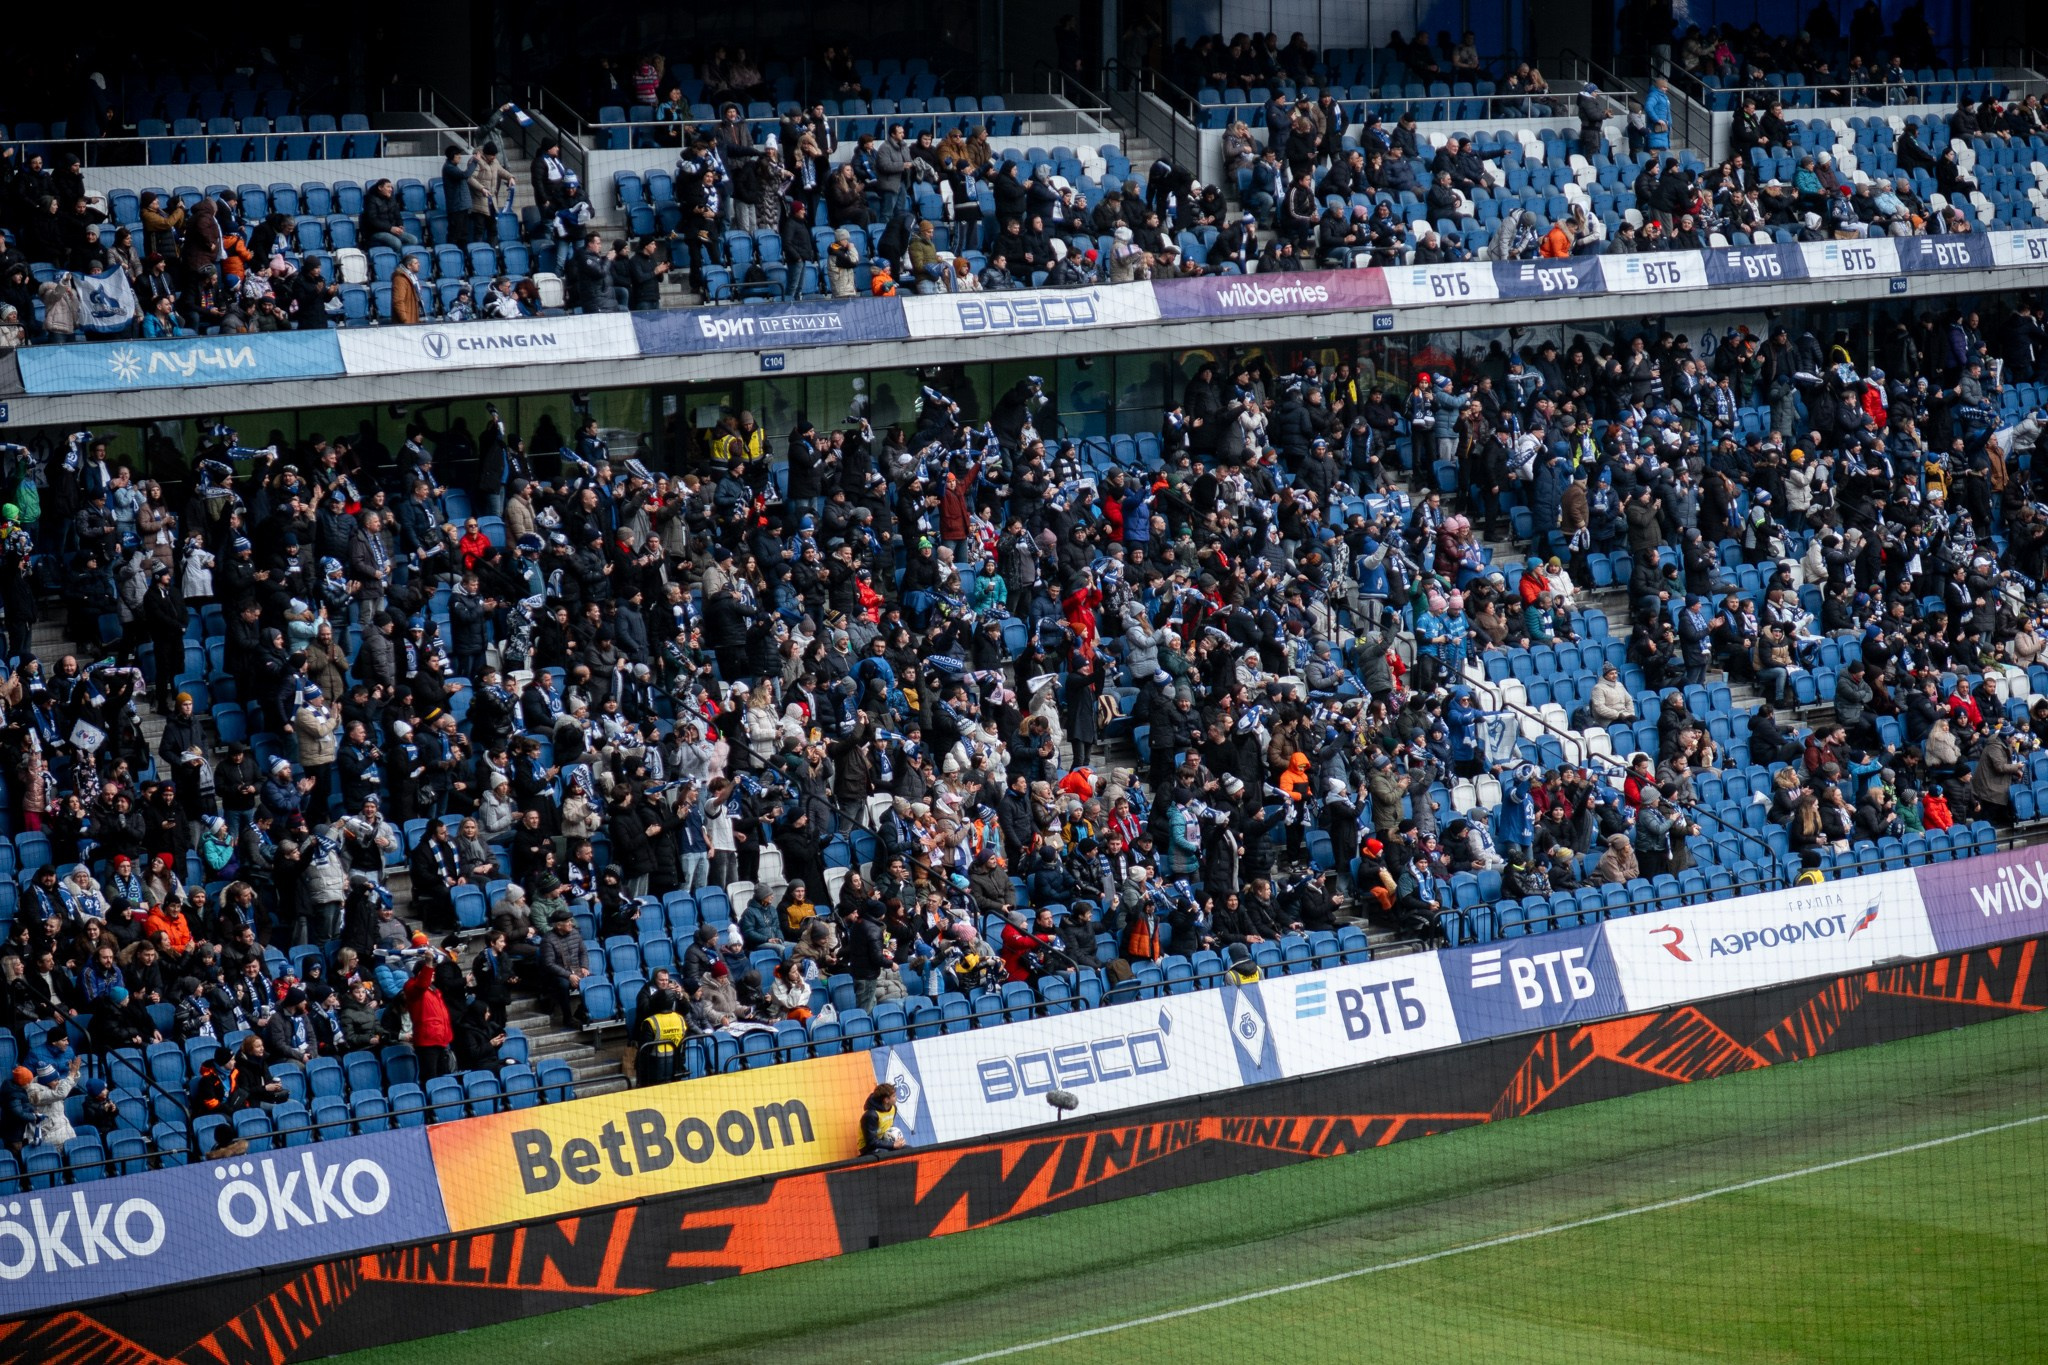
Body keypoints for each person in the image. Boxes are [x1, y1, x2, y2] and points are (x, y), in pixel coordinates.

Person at [860, 1081, 905, 1154]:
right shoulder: (871, 1115)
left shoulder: (893, 1108)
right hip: (868, 1148)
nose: (896, 1098)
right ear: (886, 1100)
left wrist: (897, 1140)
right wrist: (893, 1145)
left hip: (883, 1141)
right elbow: (871, 1142)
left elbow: (888, 1127)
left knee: (908, 1150)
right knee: (886, 1154)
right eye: (893, 1096)